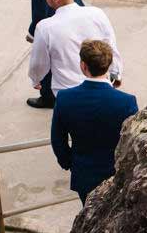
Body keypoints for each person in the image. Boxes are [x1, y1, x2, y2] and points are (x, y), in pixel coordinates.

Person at [50, 39, 137, 202]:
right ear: (109, 65)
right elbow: (132, 141)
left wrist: (70, 163)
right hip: (116, 176)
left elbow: (57, 140)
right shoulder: (127, 102)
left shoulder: (64, 98)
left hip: (84, 174)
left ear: (83, 65)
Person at [27, 0, 120, 109]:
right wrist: (116, 73)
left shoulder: (45, 27)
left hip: (67, 93)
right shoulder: (97, 14)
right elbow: (111, 46)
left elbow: (39, 62)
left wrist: (36, 79)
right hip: (100, 85)